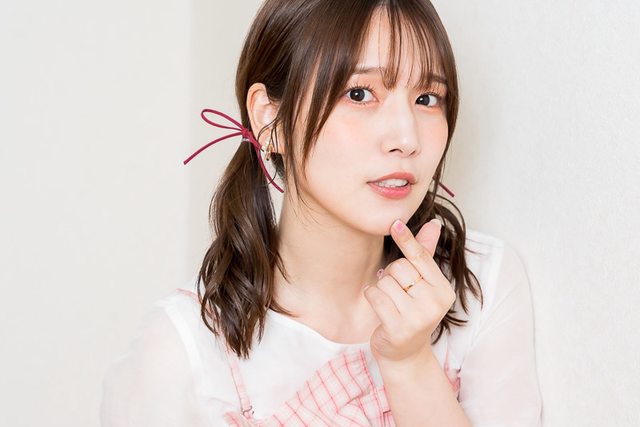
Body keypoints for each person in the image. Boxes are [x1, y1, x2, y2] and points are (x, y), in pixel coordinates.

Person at [101, 0, 542, 425]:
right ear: (270, 120)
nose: (407, 139)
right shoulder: (182, 353)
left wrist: (410, 364)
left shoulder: (480, 285)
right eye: (360, 94)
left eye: (427, 98)